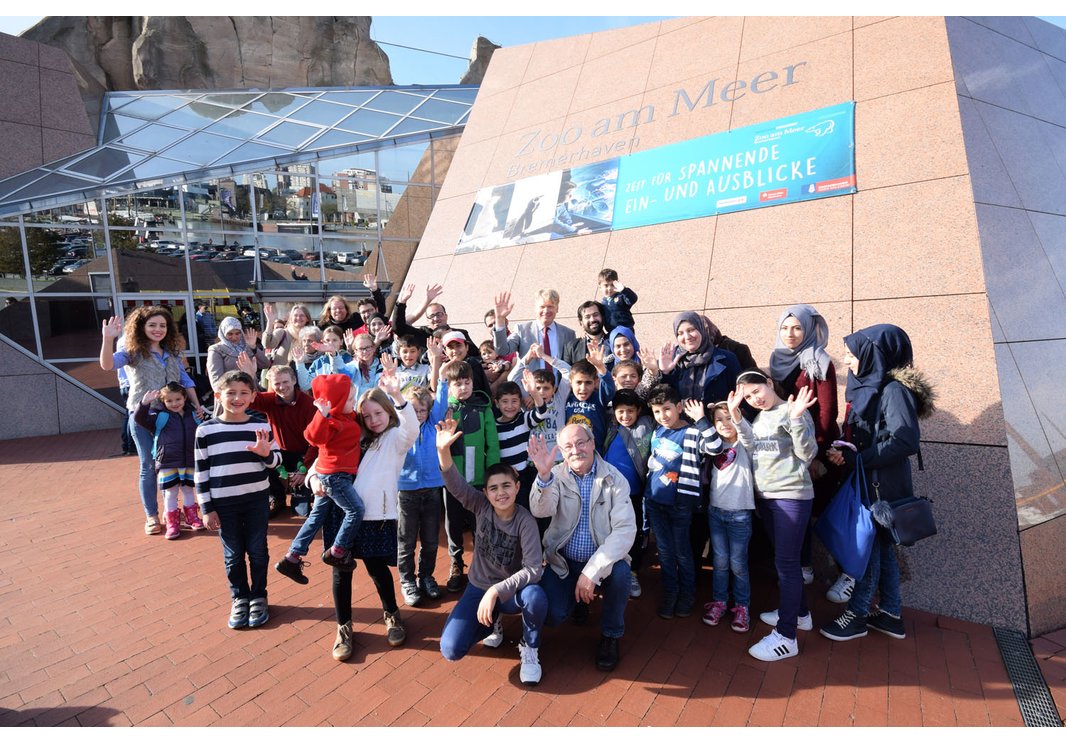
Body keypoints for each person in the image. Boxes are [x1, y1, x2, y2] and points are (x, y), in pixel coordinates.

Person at [820, 325, 935, 643]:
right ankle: (891, 615)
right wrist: (844, 451)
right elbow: (865, 436)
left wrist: (860, 458)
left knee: (868, 549)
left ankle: (856, 616)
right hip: (870, 483)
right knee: (881, 549)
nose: (846, 358)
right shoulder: (869, 387)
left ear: (874, 354)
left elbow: (905, 440)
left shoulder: (893, 391)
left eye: (853, 352)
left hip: (882, 487)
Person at [311, 371, 419, 661]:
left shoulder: (395, 439)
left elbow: (411, 430)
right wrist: (313, 481)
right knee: (340, 573)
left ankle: (392, 615)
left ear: (388, 411)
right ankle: (343, 628)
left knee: (377, 569)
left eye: (378, 413)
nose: (373, 420)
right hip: (341, 514)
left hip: (374, 516)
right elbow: (320, 462)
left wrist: (398, 397)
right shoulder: (345, 433)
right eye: (366, 415)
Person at [436, 418, 547, 684]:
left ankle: (530, 647)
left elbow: (534, 569)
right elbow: (455, 485)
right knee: (451, 648)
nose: (501, 493)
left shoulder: (525, 521)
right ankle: (491, 619)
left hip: (509, 592)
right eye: (493, 488)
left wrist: (496, 591)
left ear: (517, 487)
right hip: (478, 587)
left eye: (506, 486)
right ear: (485, 493)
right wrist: (443, 452)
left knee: (535, 596)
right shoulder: (480, 506)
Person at [527, 424, 637, 672]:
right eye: (568, 446)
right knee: (553, 616)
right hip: (563, 562)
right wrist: (543, 477)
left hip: (601, 562)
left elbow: (625, 530)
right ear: (562, 453)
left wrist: (592, 572)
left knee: (621, 574)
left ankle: (611, 634)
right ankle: (578, 601)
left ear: (593, 442)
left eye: (581, 442)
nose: (575, 450)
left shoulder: (615, 479)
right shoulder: (555, 474)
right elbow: (540, 510)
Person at [727, 369, 818, 661]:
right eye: (749, 397)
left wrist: (795, 419)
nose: (755, 399)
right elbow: (752, 445)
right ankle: (800, 613)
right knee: (784, 560)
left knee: (787, 565)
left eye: (757, 391)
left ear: (769, 383)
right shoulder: (761, 416)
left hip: (790, 496)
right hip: (767, 497)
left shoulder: (791, 410)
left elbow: (808, 454)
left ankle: (787, 636)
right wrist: (738, 417)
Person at [100, 307, 205, 535]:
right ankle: (152, 516)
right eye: (152, 325)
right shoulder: (133, 352)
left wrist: (197, 406)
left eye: (162, 325)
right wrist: (108, 340)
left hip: (174, 417)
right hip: (144, 417)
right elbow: (108, 365)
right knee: (148, 466)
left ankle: (182, 512)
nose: (158, 330)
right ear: (141, 327)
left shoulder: (172, 352)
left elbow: (185, 380)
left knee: (180, 464)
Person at [194, 370, 281, 630]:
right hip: (224, 503)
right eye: (230, 392)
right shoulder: (206, 430)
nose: (237, 398)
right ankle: (239, 596)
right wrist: (206, 508)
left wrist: (266, 454)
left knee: (257, 551)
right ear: (219, 395)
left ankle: (259, 595)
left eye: (244, 393)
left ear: (253, 396)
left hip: (256, 500)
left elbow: (276, 462)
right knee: (233, 555)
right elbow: (201, 471)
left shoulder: (261, 426)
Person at [768, 305, 843, 595]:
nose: (790, 334)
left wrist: (815, 455)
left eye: (797, 327)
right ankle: (798, 565)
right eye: (785, 327)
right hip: (784, 447)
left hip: (811, 448)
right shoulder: (776, 359)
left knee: (809, 509)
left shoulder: (819, 362)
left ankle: (814, 568)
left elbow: (827, 412)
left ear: (810, 329)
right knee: (791, 509)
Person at [275, 373, 366, 583]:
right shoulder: (329, 421)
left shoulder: (346, 417)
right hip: (335, 476)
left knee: (316, 517)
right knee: (355, 510)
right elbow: (312, 438)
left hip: (333, 475)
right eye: (350, 399)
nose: (354, 402)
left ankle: (292, 557)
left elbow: (354, 418)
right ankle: (337, 551)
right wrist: (322, 415)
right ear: (337, 402)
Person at [643, 384, 723, 619]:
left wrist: (701, 420)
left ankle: (687, 595)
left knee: (683, 552)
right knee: (665, 552)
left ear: (679, 407)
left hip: (681, 503)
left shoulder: (692, 433)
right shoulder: (658, 431)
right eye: (657, 411)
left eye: (667, 409)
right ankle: (670, 592)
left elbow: (716, 448)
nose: (662, 416)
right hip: (655, 501)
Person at [437, 358, 501, 593]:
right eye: (457, 383)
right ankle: (456, 562)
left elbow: (492, 442)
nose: (463, 387)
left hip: (478, 479)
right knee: (453, 522)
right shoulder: (443, 408)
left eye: (467, 382)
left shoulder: (483, 407)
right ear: (449, 385)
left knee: (479, 523)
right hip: (453, 479)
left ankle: (480, 563)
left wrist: (492, 474)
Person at [701, 402, 756, 633]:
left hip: (740, 514)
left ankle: (742, 606)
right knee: (720, 562)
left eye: (729, 418)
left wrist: (737, 415)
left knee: (738, 564)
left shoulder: (745, 444)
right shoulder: (713, 445)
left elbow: (748, 433)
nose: (725, 424)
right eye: (719, 420)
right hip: (715, 511)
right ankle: (720, 602)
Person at [396, 385, 448, 607]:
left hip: (432, 490)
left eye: (422, 410)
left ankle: (426, 576)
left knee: (431, 540)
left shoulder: (432, 426)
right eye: (413, 410)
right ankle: (407, 580)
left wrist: (441, 376)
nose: (418, 415)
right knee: (406, 541)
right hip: (407, 491)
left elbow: (442, 402)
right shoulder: (400, 430)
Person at [133, 382, 207, 539]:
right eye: (170, 401)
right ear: (163, 401)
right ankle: (172, 523)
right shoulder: (159, 416)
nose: (175, 404)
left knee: (188, 490)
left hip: (189, 460)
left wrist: (200, 413)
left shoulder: (193, 414)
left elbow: (203, 430)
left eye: (178, 399)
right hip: (168, 461)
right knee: (170, 493)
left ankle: (191, 517)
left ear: (184, 398)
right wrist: (144, 404)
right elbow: (139, 419)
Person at [245, 364, 317, 517]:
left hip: (303, 454)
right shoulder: (271, 400)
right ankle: (276, 496)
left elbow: (316, 442)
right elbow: (250, 398)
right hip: (279, 452)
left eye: (285, 382)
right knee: (261, 457)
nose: (282, 387)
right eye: (277, 383)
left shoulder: (309, 404)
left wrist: (304, 469)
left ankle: (303, 493)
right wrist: (250, 376)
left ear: (294, 380)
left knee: (301, 512)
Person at [602, 389, 654, 599]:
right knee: (606, 530)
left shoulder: (647, 424)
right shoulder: (611, 425)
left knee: (634, 533)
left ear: (639, 410)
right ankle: (605, 571)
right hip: (607, 493)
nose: (625, 416)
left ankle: (632, 571)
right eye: (620, 411)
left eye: (630, 411)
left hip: (634, 493)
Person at [492, 289, 576, 373]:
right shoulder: (522, 330)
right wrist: (500, 319)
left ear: (557, 309)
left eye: (550, 306)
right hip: (530, 384)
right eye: (542, 307)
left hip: (561, 385)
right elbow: (502, 350)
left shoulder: (568, 334)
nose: (546, 311)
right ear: (535, 309)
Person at [206, 316, 269, 393]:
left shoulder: (247, 346)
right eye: (230, 334)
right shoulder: (217, 349)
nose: (234, 337)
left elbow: (265, 364)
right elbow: (216, 380)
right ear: (223, 333)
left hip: (251, 393)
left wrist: (253, 347)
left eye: (237, 333)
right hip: (231, 396)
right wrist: (225, 396)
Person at [263, 303, 312, 367]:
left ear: (307, 319)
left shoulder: (312, 336)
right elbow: (267, 344)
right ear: (291, 318)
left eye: (302, 315)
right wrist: (270, 322)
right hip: (281, 374)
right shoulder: (282, 333)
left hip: (304, 374)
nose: (298, 318)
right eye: (295, 315)